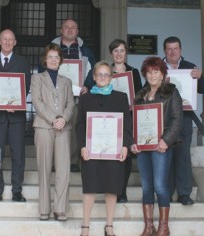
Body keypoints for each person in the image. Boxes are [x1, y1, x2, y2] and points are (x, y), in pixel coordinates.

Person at [76, 61, 132, 236]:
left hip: (113, 150)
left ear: (111, 77)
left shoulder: (121, 97)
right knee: (89, 187)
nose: (102, 77)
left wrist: (125, 146)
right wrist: (82, 146)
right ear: (93, 77)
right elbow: (79, 125)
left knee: (112, 186)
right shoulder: (85, 98)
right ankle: (85, 226)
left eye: (106, 74)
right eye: (99, 74)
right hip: (91, 151)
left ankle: (109, 226)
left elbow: (127, 125)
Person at [131, 56, 183, 236]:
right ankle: (149, 226)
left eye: (156, 71)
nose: (152, 75)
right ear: (144, 74)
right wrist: (133, 143)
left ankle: (163, 227)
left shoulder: (171, 92)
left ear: (163, 74)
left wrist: (165, 141)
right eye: (149, 72)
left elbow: (177, 120)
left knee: (160, 185)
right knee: (146, 187)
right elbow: (134, 122)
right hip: (143, 148)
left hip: (161, 146)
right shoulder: (139, 95)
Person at [0, 29, 31, 202]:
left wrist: (14, 102)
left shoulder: (23, 62)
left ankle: (17, 190)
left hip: (16, 115)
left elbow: (26, 86)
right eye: (5, 39)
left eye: (11, 39)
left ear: (15, 42)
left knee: (18, 153)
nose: (8, 42)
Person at [31, 43, 74, 221]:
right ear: (45, 59)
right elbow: (37, 102)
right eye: (50, 57)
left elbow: (71, 104)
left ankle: (60, 208)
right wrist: (53, 119)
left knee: (63, 169)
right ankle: (44, 209)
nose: (54, 60)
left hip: (64, 127)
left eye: (57, 57)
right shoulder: (37, 78)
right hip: (43, 126)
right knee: (44, 168)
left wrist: (63, 118)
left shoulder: (67, 81)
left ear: (60, 60)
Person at [162, 36, 204, 206]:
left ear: (181, 50)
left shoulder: (190, 67)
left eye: (176, 48)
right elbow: (147, 88)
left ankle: (184, 193)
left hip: (185, 117)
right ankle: (167, 192)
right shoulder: (157, 67)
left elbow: (201, 90)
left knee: (183, 156)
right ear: (164, 50)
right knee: (166, 156)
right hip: (164, 118)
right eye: (169, 49)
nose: (173, 52)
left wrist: (201, 76)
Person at [52, 19, 97, 173]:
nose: (70, 30)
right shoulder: (52, 49)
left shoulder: (86, 51)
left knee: (75, 129)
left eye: (73, 28)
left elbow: (93, 72)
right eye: (66, 27)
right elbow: (43, 68)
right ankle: (55, 162)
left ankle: (72, 162)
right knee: (56, 129)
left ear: (77, 31)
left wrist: (87, 86)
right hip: (56, 98)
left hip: (78, 98)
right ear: (61, 30)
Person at [108, 38, 143, 203]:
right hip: (109, 118)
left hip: (128, 117)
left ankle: (122, 192)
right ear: (111, 53)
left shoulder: (134, 72)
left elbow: (140, 95)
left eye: (122, 50)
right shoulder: (106, 71)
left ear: (126, 53)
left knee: (126, 156)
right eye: (115, 51)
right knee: (112, 155)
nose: (119, 54)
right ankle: (112, 189)